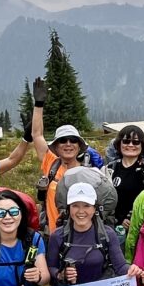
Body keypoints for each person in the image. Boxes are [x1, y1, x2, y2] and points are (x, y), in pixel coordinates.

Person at [30, 77, 99, 234]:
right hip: (53, 234)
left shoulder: (88, 172)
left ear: (79, 146)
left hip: (80, 237)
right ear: (55, 146)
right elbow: (37, 134)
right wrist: (39, 104)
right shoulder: (51, 164)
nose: (68, 144)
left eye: (73, 140)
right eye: (62, 141)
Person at [106, 125, 144, 244]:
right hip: (118, 229)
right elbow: (107, 199)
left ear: (142, 145)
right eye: (126, 141)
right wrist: (120, 218)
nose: (130, 145)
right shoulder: (110, 168)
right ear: (119, 144)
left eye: (136, 142)